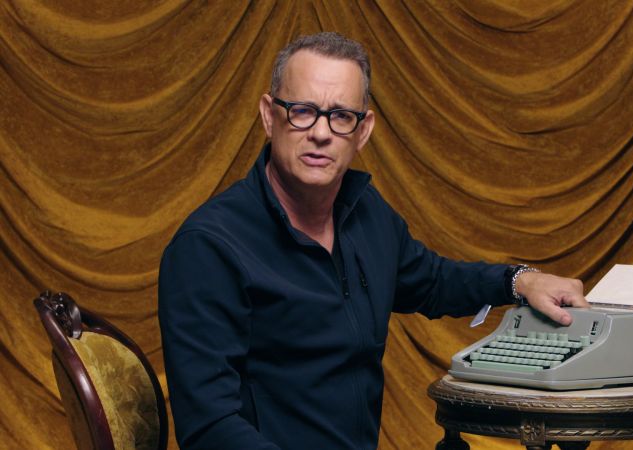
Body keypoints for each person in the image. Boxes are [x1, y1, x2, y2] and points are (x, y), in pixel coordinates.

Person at [158, 32, 587, 450]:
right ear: (270, 116)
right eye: (303, 110)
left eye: (341, 116)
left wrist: (520, 281)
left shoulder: (368, 215)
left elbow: (434, 280)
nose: (321, 133)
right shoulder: (208, 248)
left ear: (362, 131)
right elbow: (209, 428)